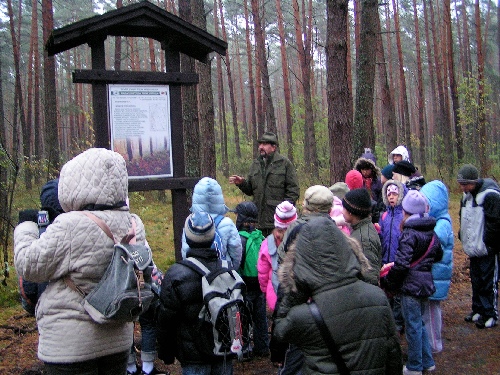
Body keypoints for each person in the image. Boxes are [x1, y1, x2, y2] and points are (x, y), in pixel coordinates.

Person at [14, 148, 146, 375]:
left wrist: (26, 227)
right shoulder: (134, 223)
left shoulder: (70, 225)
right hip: (117, 338)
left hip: (70, 345)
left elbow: (28, 265)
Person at [273, 216, 402, 374]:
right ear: (347, 248)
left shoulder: (303, 317)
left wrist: (297, 286)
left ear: (301, 262)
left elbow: (280, 331)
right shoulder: (377, 298)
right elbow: (393, 355)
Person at [157, 212, 234, 375]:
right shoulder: (228, 269)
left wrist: (166, 353)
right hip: (224, 350)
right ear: (213, 236)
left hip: (193, 355)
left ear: (188, 237)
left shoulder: (176, 274)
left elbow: (166, 320)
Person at [380, 190, 443, 375]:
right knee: (420, 324)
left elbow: (402, 264)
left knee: (413, 327)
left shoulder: (409, 233)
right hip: (425, 283)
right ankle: (428, 361)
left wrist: (389, 282)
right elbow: (437, 254)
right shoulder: (431, 232)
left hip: (411, 286)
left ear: (407, 212)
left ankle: (415, 365)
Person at [229, 131, 300, 237]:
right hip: (257, 221)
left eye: (265, 144)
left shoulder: (284, 164)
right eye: (260, 144)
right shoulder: (255, 164)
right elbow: (250, 190)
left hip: (277, 223)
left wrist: (284, 212)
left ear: (274, 147)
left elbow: (293, 190)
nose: (261, 147)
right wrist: (242, 183)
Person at [457, 164, 500, 329]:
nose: (462, 187)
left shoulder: (490, 196)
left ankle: (491, 314)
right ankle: (478, 309)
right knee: (476, 280)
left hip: (488, 248)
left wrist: (490, 244)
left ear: (473, 182)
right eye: (461, 184)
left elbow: (495, 223)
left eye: (465, 184)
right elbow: (463, 218)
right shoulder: (466, 196)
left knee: (488, 282)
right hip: (474, 247)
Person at [17, 179, 64, 316]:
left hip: (54, 328)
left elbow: (29, 297)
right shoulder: (97, 227)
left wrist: (26, 226)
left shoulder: (42, 238)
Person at [421, 180, 454, 352]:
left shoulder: (442, 224)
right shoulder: (435, 221)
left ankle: (434, 344)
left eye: (427, 203)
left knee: (432, 314)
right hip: (432, 275)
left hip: (436, 276)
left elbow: (433, 246)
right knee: (427, 312)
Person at [181, 177, 242, 269]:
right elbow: (236, 251)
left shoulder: (191, 223)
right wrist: (232, 269)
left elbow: (185, 251)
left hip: (197, 272)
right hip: (223, 273)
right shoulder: (227, 223)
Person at [232, 201, 268, 358]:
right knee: (261, 319)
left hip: (245, 286)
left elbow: (237, 264)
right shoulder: (260, 237)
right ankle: (263, 347)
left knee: (244, 318)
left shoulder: (240, 239)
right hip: (260, 286)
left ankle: (245, 349)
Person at [257, 201, 298, 312]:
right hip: (296, 296)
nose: (281, 234)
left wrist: (265, 289)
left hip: (273, 293)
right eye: (279, 230)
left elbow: (263, 272)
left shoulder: (267, 243)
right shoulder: (301, 241)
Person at [379, 179, 406, 333]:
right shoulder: (384, 216)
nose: (391, 197)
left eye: (395, 194)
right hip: (385, 261)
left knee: (397, 295)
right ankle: (389, 321)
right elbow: (382, 236)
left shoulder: (403, 216)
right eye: (389, 194)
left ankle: (398, 322)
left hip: (397, 261)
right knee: (387, 292)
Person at [342, 188, 382, 285]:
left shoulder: (364, 239)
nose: (342, 211)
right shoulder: (359, 230)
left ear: (351, 212)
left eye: (344, 208)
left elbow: (369, 276)